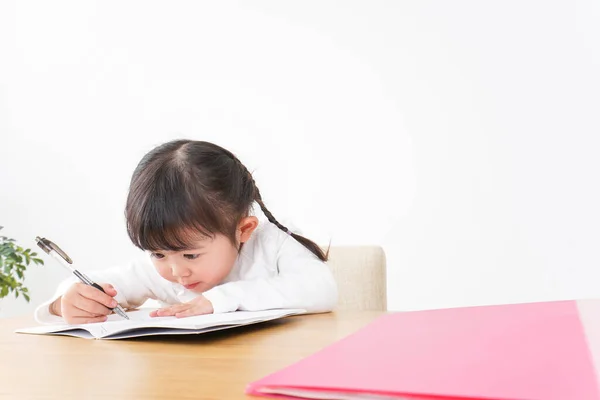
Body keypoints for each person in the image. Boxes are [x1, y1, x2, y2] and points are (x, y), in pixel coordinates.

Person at [35, 139, 337, 324]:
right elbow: (109, 284)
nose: (177, 271)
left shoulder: (273, 243)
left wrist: (222, 299)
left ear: (243, 230)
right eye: (157, 253)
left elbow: (321, 289)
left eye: (191, 254)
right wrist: (66, 303)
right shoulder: (165, 268)